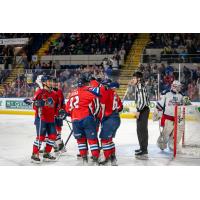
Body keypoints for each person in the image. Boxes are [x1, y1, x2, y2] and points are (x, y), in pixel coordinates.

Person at [65, 72, 101, 165]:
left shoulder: (72, 93)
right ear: (86, 83)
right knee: (92, 140)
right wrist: (94, 82)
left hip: (75, 120)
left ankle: (84, 160)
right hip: (86, 119)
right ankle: (96, 160)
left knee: (80, 141)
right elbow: (98, 93)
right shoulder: (88, 91)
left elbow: (68, 110)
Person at [153, 80, 190, 151]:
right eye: (178, 87)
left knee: (178, 132)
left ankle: (173, 144)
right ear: (174, 86)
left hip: (178, 118)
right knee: (166, 133)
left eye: (180, 87)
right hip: (168, 117)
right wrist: (157, 114)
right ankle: (161, 144)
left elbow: (188, 104)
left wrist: (186, 100)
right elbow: (160, 105)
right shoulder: (166, 93)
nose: (180, 88)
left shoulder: (182, 95)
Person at [30, 75, 58, 163]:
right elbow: (33, 105)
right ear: (44, 83)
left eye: (51, 81)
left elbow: (56, 107)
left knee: (53, 136)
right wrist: (38, 104)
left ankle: (46, 154)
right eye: (49, 81)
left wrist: (59, 113)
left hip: (51, 119)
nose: (51, 83)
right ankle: (35, 154)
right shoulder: (40, 92)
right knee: (40, 137)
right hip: (41, 118)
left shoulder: (54, 94)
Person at [98, 79, 123, 165]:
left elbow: (103, 106)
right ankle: (113, 157)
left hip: (109, 119)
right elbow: (120, 107)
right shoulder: (115, 94)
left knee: (104, 140)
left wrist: (101, 118)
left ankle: (107, 158)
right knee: (109, 139)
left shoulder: (107, 92)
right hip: (116, 119)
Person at [131, 71, 150, 159]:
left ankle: (144, 149)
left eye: (134, 78)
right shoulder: (138, 86)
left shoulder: (139, 87)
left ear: (138, 79)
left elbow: (142, 101)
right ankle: (142, 148)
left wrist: (138, 110)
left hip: (143, 110)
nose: (133, 80)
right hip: (142, 110)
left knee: (142, 130)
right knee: (139, 130)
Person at [51, 77, 66, 152]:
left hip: (59, 114)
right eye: (53, 82)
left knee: (59, 129)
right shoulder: (49, 92)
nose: (55, 83)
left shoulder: (60, 91)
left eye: (56, 82)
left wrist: (63, 111)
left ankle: (58, 144)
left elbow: (63, 102)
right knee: (52, 131)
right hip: (52, 115)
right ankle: (57, 144)